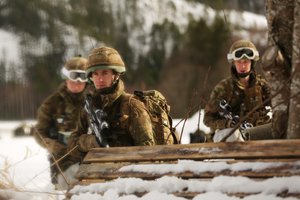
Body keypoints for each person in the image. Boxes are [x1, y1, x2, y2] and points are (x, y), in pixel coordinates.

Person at [68, 46, 156, 162]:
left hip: (128, 174)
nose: (100, 79)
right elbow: (72, 145)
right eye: (95, 74)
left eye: (105, 73)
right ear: (91, 77)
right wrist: (89, 142)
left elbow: (148, 152)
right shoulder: (89, 107)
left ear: (116, 75)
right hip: (95, 174)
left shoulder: (132, 105)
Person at [33, 56, 88, 188]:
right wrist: (53, 146)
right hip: (62, 158)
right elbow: (39, 132)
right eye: (74, 77)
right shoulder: (52, 103)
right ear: (66, 78)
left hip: (88, 155)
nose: (77, 82)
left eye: (82, 77)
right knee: (64, 190)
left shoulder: (94, 100)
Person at [203, 39, 272, 142]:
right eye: (239, 62)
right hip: (232, 135)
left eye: (246, 62)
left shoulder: (262, 86)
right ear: (233, 63)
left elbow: (280, 106)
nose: (243, 66)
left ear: (252, 62)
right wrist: (227, 123)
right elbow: (207, 119)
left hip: (257, 134)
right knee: (232, 135)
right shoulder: (223, 88)